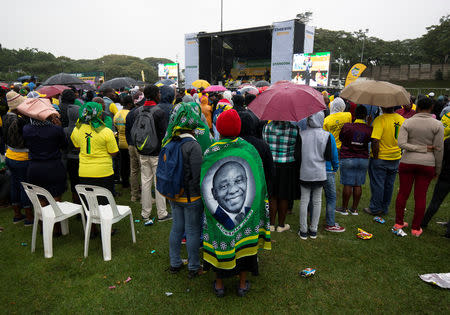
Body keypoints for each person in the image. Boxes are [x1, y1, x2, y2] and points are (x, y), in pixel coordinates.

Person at [201, 109, 271, 297]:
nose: (232, 190)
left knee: (220, 242)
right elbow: (261, 182)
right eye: (224, 185)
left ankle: (219, 284)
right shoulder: (250, 150)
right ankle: (242, 284)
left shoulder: (211, 151)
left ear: (219, 129)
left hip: (220, 221)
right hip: (246, 220)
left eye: (239, 181)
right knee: (243, 247)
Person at [162, 103, 205, 278]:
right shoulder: (193, 146)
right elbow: (197, 174)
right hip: (191, 196)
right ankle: (194, 266)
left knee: (176, 229)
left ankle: (175, 263)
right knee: (193, 230)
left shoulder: (170, 140)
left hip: (174, 194)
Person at [394, 97, 444, 237]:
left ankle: (399, 222)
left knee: (403, 193)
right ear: (431, 107)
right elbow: (439, 149)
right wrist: (437, 169)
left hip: (408, 161)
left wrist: (418, 148)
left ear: (418, 106)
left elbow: (401, 143)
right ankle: (416, 228)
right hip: (427, 163)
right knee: (420, 196)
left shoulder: (408, 122)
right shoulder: (437, 125)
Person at [138, 85, 171, 224]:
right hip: (157, 152)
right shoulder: (159, 112)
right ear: (156, 95)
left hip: (142, 150)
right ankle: (162, 213)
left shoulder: (138, 110)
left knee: (145, 182)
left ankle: (145, 213)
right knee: (159, 182)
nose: (160, 94)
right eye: (158, 92)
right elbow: (164, 134)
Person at [70, 102, 119, 196]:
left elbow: (77, 147)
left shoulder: (76, 129)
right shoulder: (106, 131)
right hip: (104, 172)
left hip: (84, 171)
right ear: (97, 114)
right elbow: (113, 152)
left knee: (89, 203)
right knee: (104, 204)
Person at [365, 106, 405, 215]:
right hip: (395, 157)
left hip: (381, 157)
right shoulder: (401, 119)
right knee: (389, 185)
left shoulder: (380, 119)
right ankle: (384, 208)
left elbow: (375, 140)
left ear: (383, 106)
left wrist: (376, 156)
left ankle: (375, 208)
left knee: (378, 184)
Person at [298, 111, 331, 240]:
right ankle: (313, 230)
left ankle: (303, 230)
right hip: (319, 173)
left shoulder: (301, 134)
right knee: (317, 201)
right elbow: (328, 156)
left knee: (304, 201)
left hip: (305, 172)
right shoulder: (326, 135)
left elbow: (298, 155)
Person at [263, 120, 299, 232]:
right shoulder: (294, 129)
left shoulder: (267, 127)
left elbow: (265, 144)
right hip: (287, 165)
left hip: (271, 164)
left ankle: (271, 224)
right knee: (284, 195)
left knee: (272, 195)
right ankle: (281, 225)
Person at [2, 91, 32, 225]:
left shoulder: (5, 117)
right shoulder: (17, 120)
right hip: (21, 157)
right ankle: (29, 218)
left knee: (15, 185)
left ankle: (17, 215)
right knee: (25, 187)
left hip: (10, 155)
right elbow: (22, 140)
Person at [338, 105, 373, 215]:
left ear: (354, 114)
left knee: (347, 183)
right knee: (358, 184)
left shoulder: (347, 126)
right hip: (362, 158)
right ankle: (354, 209)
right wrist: (368, 124)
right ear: (365, 115)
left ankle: (344, 209)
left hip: (348, 157)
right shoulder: (369, 129)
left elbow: (341, 138)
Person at [421, 137, 450, 238]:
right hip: (446, 176)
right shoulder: (447, 141)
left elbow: (440, 158)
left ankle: (423, 222)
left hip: (446, 176)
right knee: (436, 201)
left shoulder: (448, 141)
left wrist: (437, 171)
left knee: (436, 201)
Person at [114, 95, 132, 188]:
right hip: (128, 142)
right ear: (129, 104)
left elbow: (115, 126)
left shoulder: (117, 114)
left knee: (122, 163)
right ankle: (128, 182)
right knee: (130, 165)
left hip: (120, 142)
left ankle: (124, 181)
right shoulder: (130, 114)